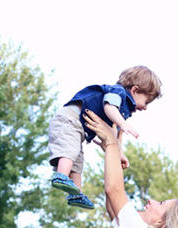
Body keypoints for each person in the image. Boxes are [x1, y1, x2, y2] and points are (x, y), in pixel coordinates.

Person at [48, 65, 162, 209]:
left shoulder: (123, 111)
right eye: (146, 102)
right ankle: (61, 175)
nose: (145, 107)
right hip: (69, 120)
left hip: (78, 130)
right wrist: (124, 123)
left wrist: (119, 154)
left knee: (77, 161)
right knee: (70, 151)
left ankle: (76, 194)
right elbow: (109, 108)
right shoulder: (117, 92)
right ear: (135, 90)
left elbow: (115, 133)